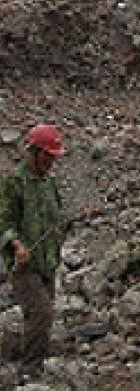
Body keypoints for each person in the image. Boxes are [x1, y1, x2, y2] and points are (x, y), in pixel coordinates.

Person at [0, 124, 68, 377]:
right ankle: (29, 371)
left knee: (43, 316)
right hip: (24, 265)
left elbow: (56, 217)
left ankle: (34, 367)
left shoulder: (48, 183)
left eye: (53, 157)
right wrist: (16, 245)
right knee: (41, 312)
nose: (50, 162)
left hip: (47, 261)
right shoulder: (15, 182)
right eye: (47, 156)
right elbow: (3, 222)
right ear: (33, 151)